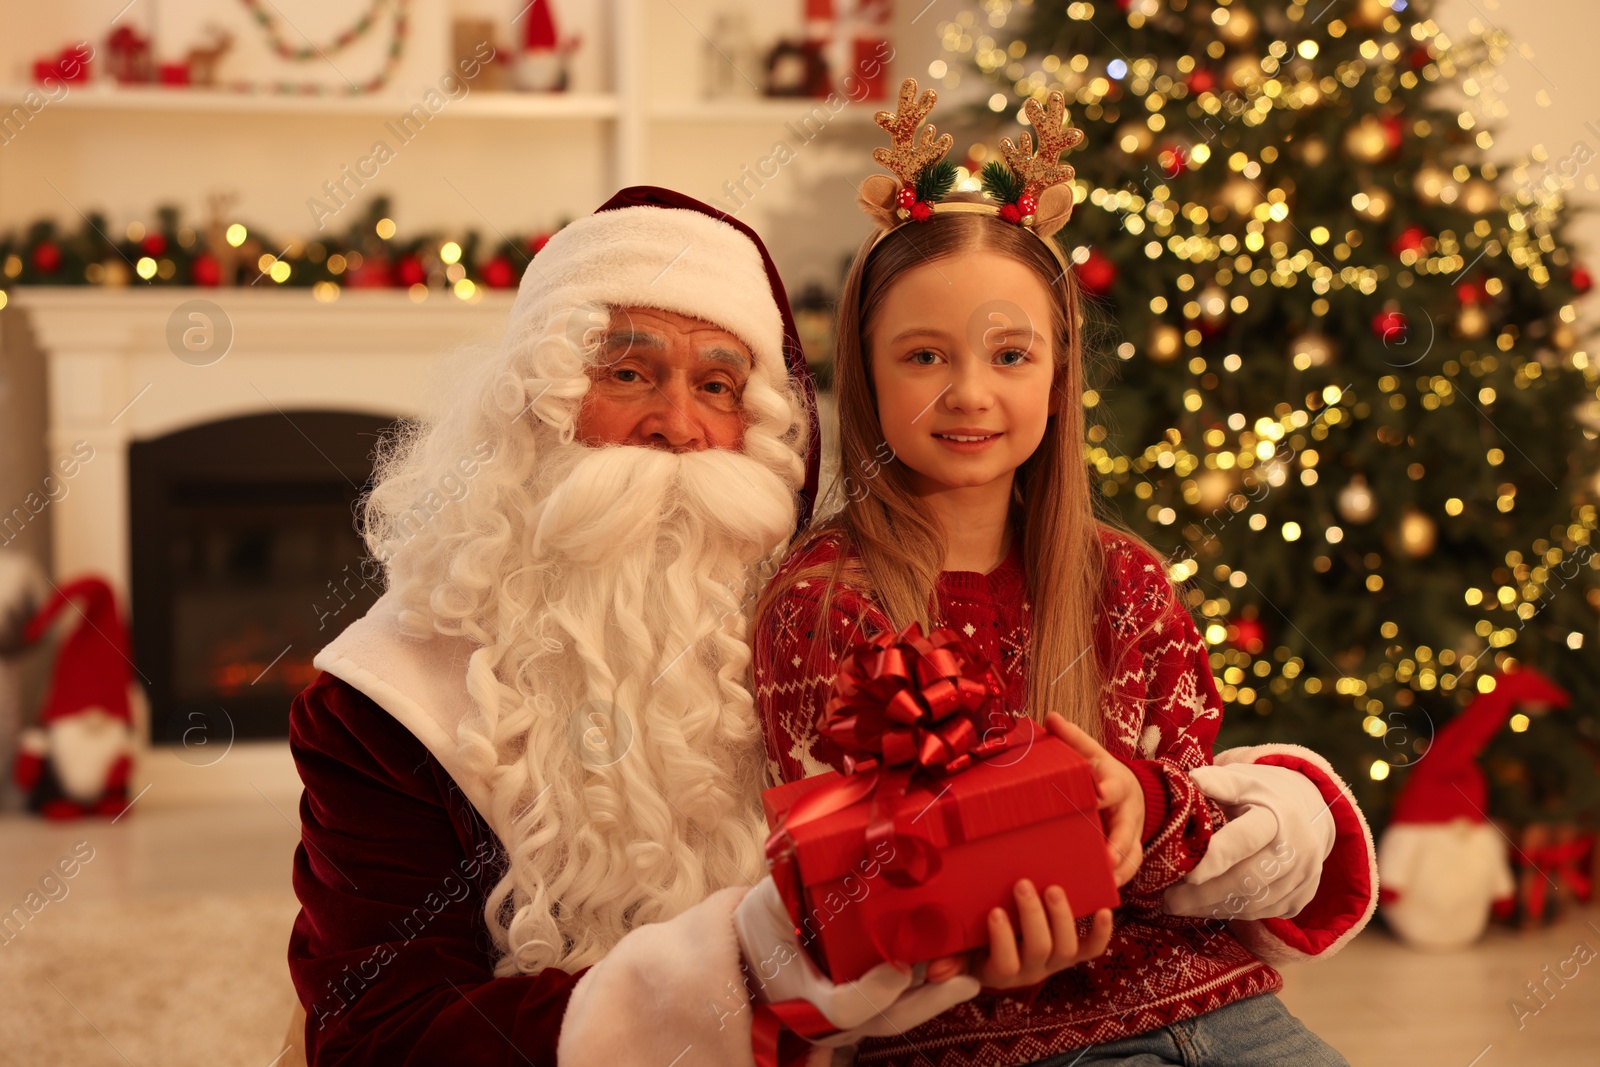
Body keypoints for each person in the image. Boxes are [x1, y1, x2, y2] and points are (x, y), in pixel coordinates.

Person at [286, 186, 988, 1067]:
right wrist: (727, 979)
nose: (678, 427)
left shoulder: (826, 628)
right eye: (628, 372)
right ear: (530, 410)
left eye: (717, 386)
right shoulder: (386, 701)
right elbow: (382, 1035)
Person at [752, 82, 1377, 1067]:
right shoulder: (827, 599)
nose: (969, 392)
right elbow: (840, 887)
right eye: (923, 355)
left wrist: (1144, 808)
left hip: (1216, 1005)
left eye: (1010, 353)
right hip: (977, 1037)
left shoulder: (1123, 581)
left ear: (1057, 371)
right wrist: (969, 933)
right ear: (867, 370)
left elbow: (1201, 800)